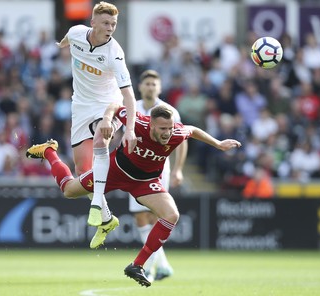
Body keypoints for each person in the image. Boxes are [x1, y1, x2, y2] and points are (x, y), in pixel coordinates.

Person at [26, 103, 241, 287]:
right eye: (162, 128)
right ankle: (49, 151)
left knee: (171, 215)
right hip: (115, 170)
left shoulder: (176, 132)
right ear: (151, 123)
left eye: (169, 127)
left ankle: (137, 265)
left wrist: (218, 144)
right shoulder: (138, 122)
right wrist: (107, 121)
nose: (167, 133)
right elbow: (114, 107)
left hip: (146, 182)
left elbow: (192, 130)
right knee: (69, 191)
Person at [56, 1, 137, 230]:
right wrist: (61, 44)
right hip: (81, 106)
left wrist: (129, 129)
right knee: (82, 170)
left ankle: (95, 208)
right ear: (93, 23)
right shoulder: (76, 33)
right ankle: (108, 218)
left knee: (102, 138)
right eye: (105, 23)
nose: (110, 28)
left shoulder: (115, 53)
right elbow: (67, 39)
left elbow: (129, 96)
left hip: (108, 104)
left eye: (113, 23)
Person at [128, 69, 188, 282]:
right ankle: (163, 265)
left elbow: (182, 139)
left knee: (156, 217)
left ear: (159, 88)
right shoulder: (132, 106)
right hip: (135, 168)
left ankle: (150, 268)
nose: (150, 87)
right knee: (140, 217)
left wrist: (179, 169)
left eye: (154, 84)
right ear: (140, 87)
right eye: (147, 84)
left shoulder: (169, 110)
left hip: (158, 168)